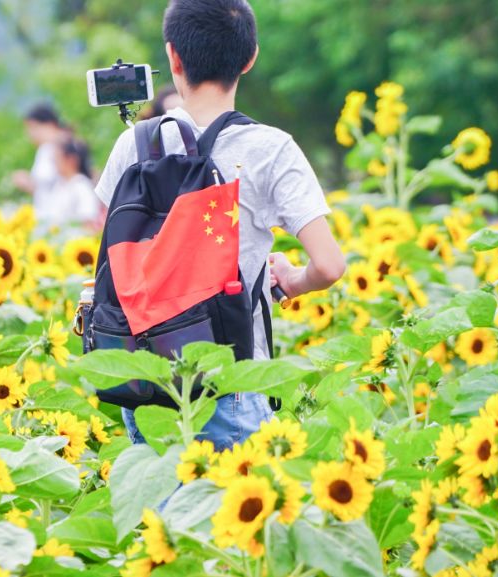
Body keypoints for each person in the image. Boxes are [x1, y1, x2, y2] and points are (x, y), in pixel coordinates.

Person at [94, 0, 345, 450]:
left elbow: (112, 246)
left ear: (173, 56)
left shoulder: (133, 143)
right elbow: (329, 265)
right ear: (249, 58)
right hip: (229, 384)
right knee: (236, 516)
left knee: (166, 518)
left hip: (147, 386)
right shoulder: (272, 148)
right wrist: (290, 282)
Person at [12, 104, 69, 224]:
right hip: (52, 217)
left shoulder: (54, 148)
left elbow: (54, 183)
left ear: (50, 125)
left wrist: (26, 182)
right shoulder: (53, 146)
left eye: (33, 128)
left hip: (58, 218)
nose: (31, 134)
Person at [38, 137, 103, 231]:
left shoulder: (82, 186)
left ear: (71, 159)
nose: (54, 163)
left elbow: (89, 221)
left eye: (57, 158)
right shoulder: (59, 185)